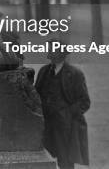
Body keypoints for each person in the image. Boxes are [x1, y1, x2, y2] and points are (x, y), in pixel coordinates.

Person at [35, 39, 90, 169]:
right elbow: (36, 95)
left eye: (52, 51)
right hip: (47, 125)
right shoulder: (44, 71)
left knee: (65, 161)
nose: (49, 54)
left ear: (61, 54)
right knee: (44, 159)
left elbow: (84, 102)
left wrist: (67, 113)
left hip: (65, 128)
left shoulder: (75, 74)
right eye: (49, 50)